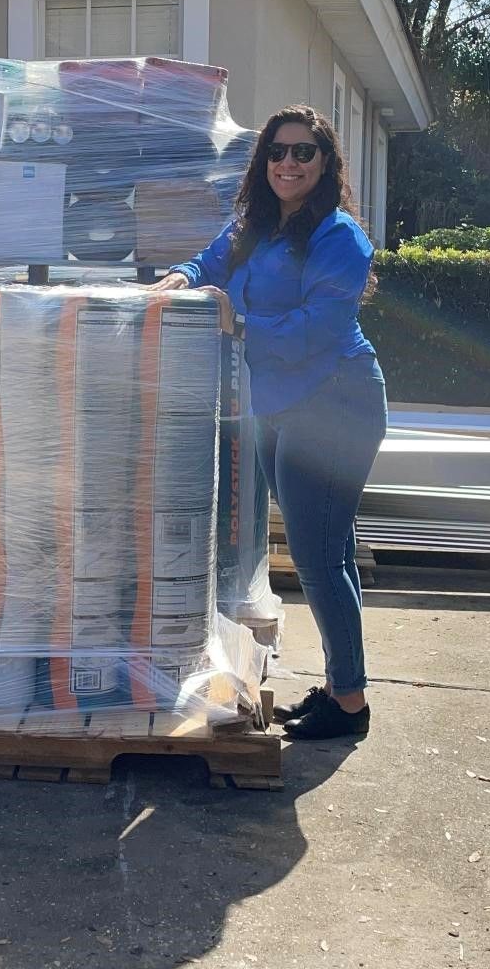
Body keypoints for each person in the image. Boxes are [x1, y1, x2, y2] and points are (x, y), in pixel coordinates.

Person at [154, 105, 386, 742]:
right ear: (263, 163)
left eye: (304, 153)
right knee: (328, 551)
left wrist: (241, 324)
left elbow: (320, 328)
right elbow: (211, 262)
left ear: (325, 163)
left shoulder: (338, 237)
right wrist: (186, 277)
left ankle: (351, 705)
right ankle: (345, 690)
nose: (289, 163)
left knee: (316, 556)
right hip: (279, 404)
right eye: (278, 152)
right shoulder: (255, 227)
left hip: (336, 401)